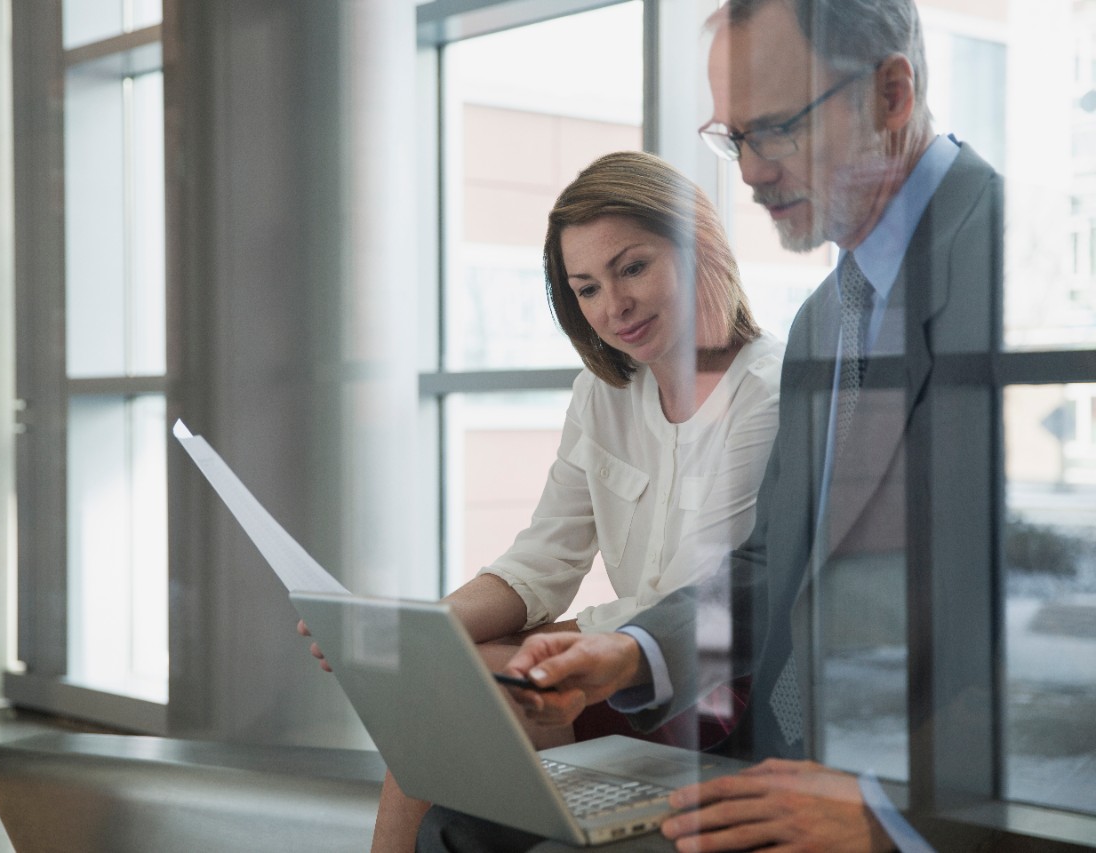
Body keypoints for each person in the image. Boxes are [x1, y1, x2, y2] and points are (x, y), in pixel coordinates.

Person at [418, 0, 1002, 850]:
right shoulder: (825, 321)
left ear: (891, 93)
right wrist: (630, 654)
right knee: (456, 826)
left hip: (915, 799)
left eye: (777, 128)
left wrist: (895, 813)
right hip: (781, 763)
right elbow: (770, 567)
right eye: (736, 139)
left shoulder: (1008, 268)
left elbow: (1054, 611)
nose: (755, 172)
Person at [304, 150, 784, 853]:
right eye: (586, 287)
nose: (612, 307)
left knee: (456, 701)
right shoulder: (605, 391)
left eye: (632, 267)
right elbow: (543, 558)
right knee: (449, 686)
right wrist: (420, 631)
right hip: (613, 666)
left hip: (705, 687)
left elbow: (692, 600)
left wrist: (526, 652)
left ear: (698, 246)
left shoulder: (765, 392)